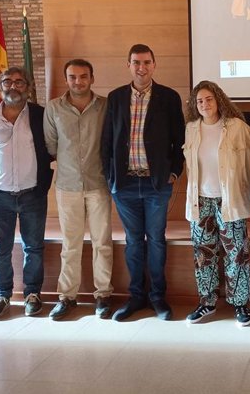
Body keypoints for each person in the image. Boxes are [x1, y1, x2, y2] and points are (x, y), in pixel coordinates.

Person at [101, 44, 185, 321]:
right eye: (136, 62)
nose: (142, 67)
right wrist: (110, 175)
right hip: (124, 185)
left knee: (157, 240)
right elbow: (106, 140)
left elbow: (179, 140)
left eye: (147, 62)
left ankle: (158, 297)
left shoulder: (169, 98)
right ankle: (136, 296)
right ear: (128, 65)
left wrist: (174, 172)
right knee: (134, 242)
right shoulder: (115, 98)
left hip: (156, 184)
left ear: (154, 65)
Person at [0, 67, 53, 319]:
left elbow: (51, 146)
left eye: (19, 82)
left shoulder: (39, 115)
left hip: (33, 194)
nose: (13, 86)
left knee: (34, 247)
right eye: (7, 81)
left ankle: (32, 295)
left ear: (27, 86)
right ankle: (1, 295)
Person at [182, 80, 250, 327]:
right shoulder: (191, 128)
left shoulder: (236, 127)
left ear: (219, 100)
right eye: (199, 101)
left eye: (209, 99)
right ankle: (207, 302)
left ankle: (240, 303)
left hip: (230, 200)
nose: (204, 104)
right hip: (200, 200)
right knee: (204, 253)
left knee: (236, 253)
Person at [44, 59, 113, 320]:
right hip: (68, 185)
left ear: (92, 78)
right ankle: (67, 297)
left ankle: (103, 295)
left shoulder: (105, 106)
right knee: (70, 244)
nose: (78, 81)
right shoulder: (54, 109)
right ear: (67, 79)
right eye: (72, 77)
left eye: (83, 76)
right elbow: (51, 144)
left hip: (99, 184)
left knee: (102, 243)